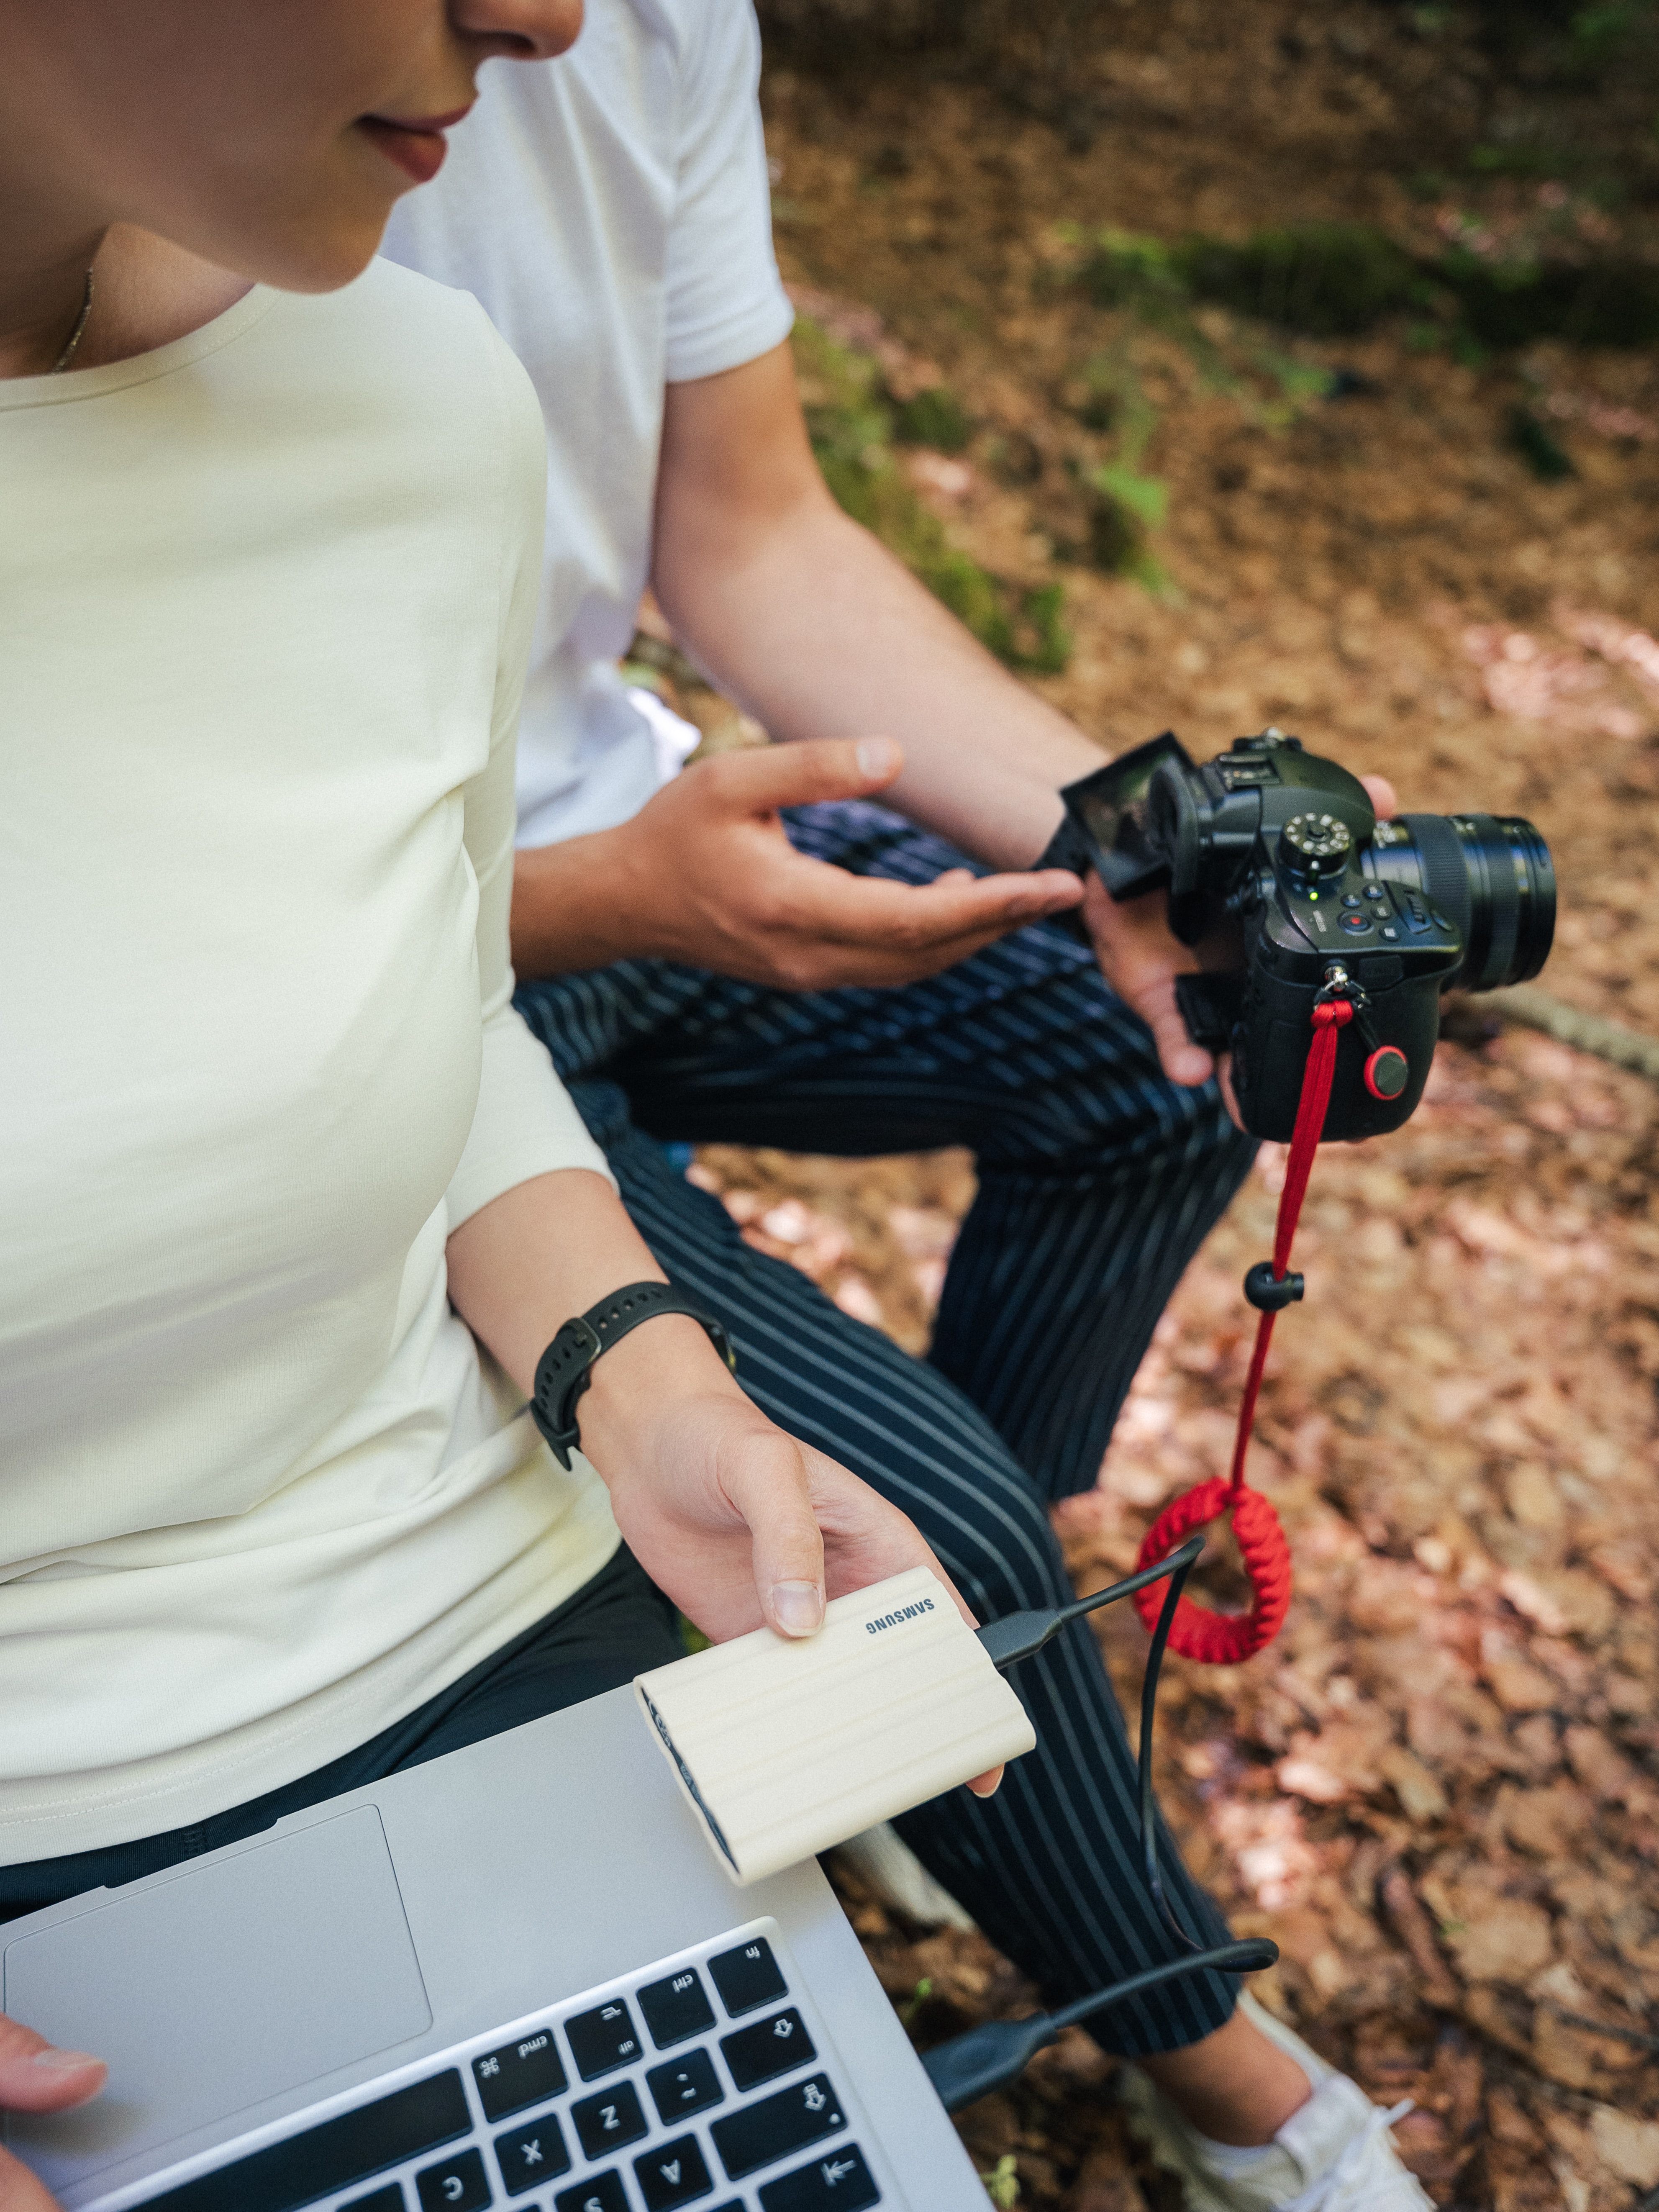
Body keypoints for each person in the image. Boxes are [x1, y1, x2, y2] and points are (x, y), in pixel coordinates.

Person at [381, 8, 1431, 2210]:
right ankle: (1196, 2044)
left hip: (636, 836)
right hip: (404, 986)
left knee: (1150, 1071)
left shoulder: (653, 26)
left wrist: (1129, 836)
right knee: (914, 1529)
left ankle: (961, 1738)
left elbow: (751, 527)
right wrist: (605, 899)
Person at [0, 5, 1003, 2208]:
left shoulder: (417, 394)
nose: (547, 16)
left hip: (492, 1646)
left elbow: (430, 1009)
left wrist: (646, 1392)